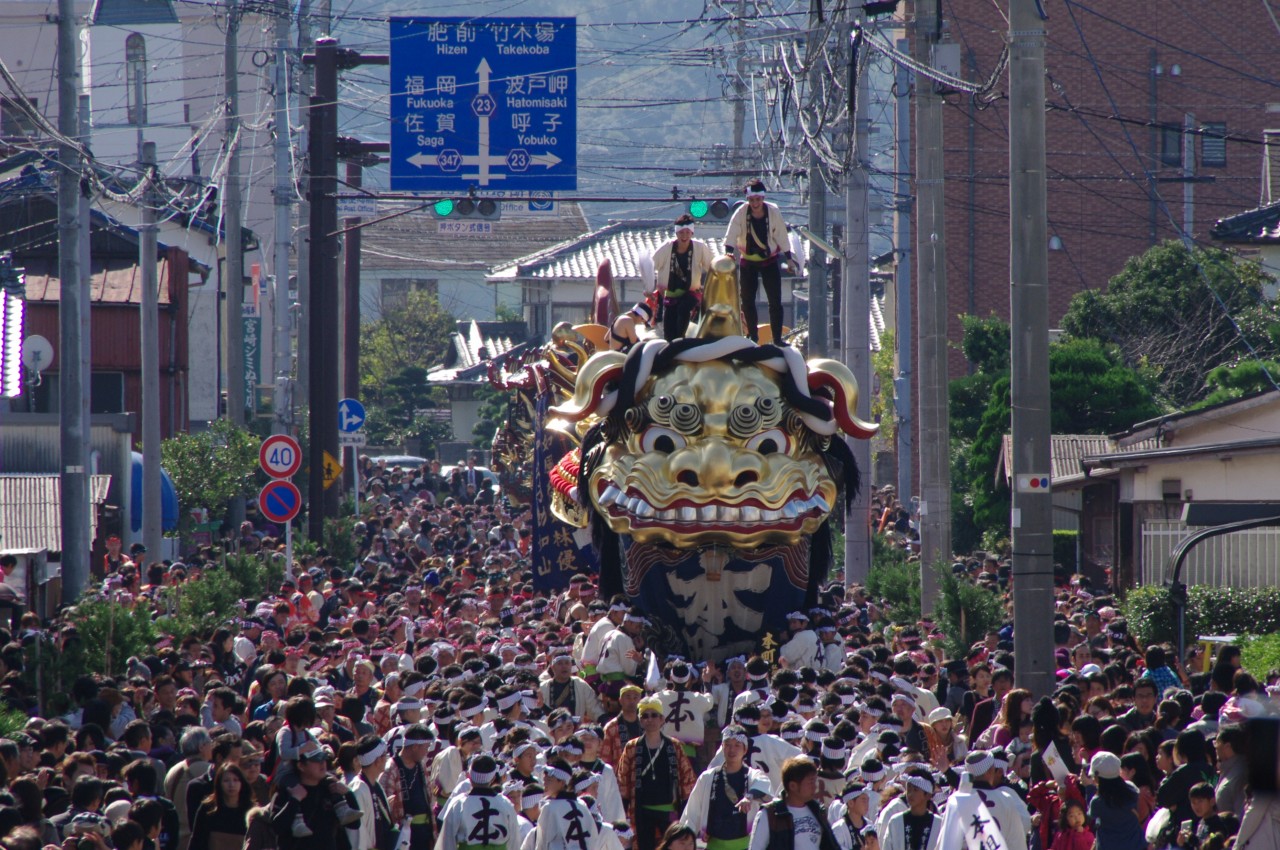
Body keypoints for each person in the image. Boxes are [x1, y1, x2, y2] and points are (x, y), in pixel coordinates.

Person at [617, 697, 697, 850]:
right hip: (642, 809)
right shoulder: (632, 747)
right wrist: (623, 812)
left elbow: (687, 778)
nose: (650, 719)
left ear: (662, 719)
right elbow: (623, 780)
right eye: (645, 716)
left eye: (654, 715)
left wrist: (687, 810)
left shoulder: (674, 745)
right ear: (640, 720)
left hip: (669, 810)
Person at [724, 180, 797, 344]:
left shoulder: (773, 211)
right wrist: (728, 252)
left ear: (763, 198)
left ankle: (777, 338)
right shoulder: (741, 212)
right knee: (747, 300)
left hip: (769, 260)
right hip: (748, 260)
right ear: (748, 199)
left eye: (758, 199)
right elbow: (732, 233)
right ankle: (753, 335)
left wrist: (789, 258)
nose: (755, 203)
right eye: (751, 200)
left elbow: (781, 235)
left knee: (775, 300)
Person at [681, 725, 771, 850]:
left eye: (737, 745)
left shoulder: (753, 775)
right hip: (714, 845)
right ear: (722, 747)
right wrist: (684, 840)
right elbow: (692, 813)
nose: (732, 750)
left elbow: (764, 785)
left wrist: (749, 797)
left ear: (745, 750)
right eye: (727, 745)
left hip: (745, 846)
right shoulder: (708, 777)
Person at [746, 756, 842, 850]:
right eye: (810, 782)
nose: (815, 787)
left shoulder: (818, 811)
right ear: (793, 786)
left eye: (815, 781)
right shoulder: (770, 815)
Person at [437, 754, 521, 850]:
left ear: (470, 776)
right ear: (493, 778)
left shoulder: (458, 803)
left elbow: (447, 842)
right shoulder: (505, 804)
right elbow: (514, 842)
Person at [652, 214, 713, 340]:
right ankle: (673, 344)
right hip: (670, 294)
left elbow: (712, 267)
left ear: (692, 233)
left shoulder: (699, 247)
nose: (684, 236)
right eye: (681, 232)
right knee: (669, 330)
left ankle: (680, 340)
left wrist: (710, 287)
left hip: (691, 293)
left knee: (683, 308)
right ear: (676, 233)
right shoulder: (667, 247)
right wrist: (648, 287)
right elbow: (651, 265)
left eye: (687, 232)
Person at [1085, 752, 1146, 850]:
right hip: (1136, 845)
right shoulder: (1131, 789)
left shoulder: (1098, 802)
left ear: (1096, 776)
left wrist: (1089, 788)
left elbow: (1091, 814)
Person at [188, 763, 252, 850]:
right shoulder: (208, 808)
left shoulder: (250, 811)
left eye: (236, 780)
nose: (231, 785)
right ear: (219, 783)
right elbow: (196, 841)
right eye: (226, 781)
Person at [348, 735, 396, 850]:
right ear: (378, 760)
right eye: (385, 755)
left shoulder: (375, 784)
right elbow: (358, 834)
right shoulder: (358, 789)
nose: (387, 759)